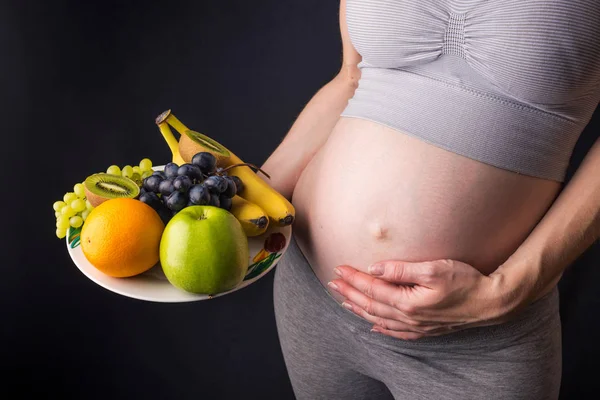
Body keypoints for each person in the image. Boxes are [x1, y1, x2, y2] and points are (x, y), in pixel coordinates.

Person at [262, 1, 600, 399]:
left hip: (477, 343)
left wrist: (507, 291)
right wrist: (245, 197)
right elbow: (350, 79)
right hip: (314, 297)